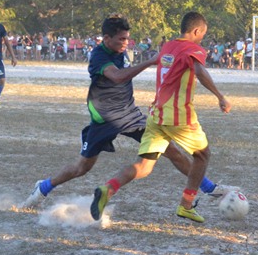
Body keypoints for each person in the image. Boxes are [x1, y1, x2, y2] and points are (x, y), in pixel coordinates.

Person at [23, 16, 228, 208]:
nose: (126, 43)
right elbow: (119, 77)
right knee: (82, 168)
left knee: (171, 151)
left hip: (129, 114)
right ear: (106, 38)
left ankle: (209, 188)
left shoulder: (121, 52)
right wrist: (150, 61)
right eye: (121, 39)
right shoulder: (99, 56)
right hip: (105, 118)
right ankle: (43, 187)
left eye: (127, 39)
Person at [90, 12, 231, 224]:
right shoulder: (192, 48)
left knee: (144, 166)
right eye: (202, 33)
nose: (202, 38)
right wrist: (220, 96)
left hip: (156, 115)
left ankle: (108, 189)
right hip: (178, 116)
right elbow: (200, 70)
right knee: (202, 155)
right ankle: (186, 205)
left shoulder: (168, 47)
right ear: (196, 31)